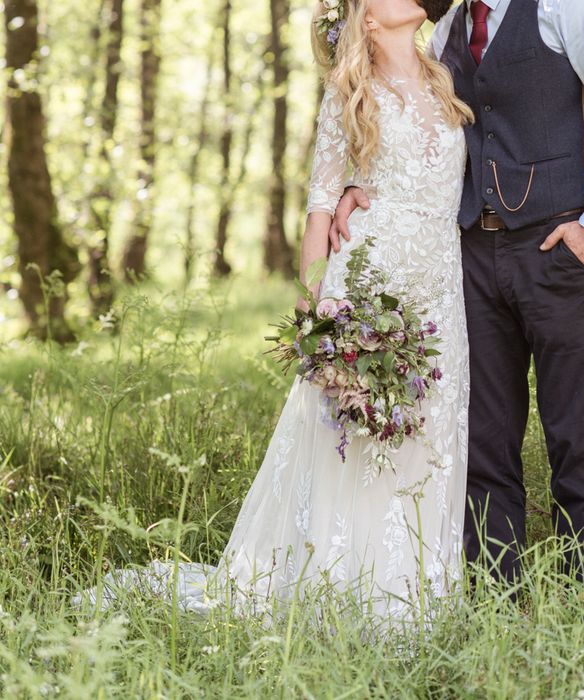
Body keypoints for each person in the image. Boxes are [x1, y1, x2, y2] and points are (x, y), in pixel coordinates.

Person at [71, 0, 474, 624]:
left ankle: (421, 599)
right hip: (370, 285)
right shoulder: (349, 94)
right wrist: (320, 317)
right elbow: (319, 207)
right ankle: (348, 595)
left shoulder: (445, 73)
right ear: (366, 18)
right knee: (353, 435)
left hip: (440, 287)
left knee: (430, 432)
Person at [331, 0, 584, 586]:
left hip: (559, 246)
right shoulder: (452, 27)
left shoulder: (571, 6)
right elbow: (403, 110)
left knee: (578, 436)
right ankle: (494, 600)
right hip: (472, 258)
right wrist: (359, 181)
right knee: (482, 441)